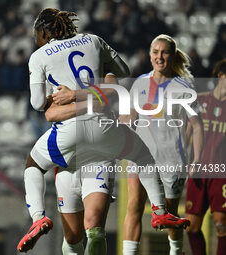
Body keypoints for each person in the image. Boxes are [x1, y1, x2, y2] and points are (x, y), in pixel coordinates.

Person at [18, 9, 189, 253]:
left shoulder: (39, 57)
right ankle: (160, 212)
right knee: (143, 156)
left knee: (34, 166)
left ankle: (37, 217)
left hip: (71, 137)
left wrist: (61, 96)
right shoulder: (94, 40)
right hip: (102, 130)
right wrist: (99, 85)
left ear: (44, 32)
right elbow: (121, 71)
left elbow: (39, 106)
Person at [119, 34, 204, 255]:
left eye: (164, 52)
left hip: (171, 159)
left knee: (169, 215)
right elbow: (132, 117)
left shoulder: (183, 88)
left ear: (172, 55)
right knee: (134, 207)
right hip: (140, 157)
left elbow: (197, 125)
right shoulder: (140, 83)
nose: (159, 56)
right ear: (150, 55)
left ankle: (175, 252)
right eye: (155, 52)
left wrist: (196, 159)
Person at [185, 59, 226, 255]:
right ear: (221, 76)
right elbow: (186, 133)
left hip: (221, 174)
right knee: (191, 226)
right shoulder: (199, 101)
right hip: (198, 172)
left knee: (221, 223)